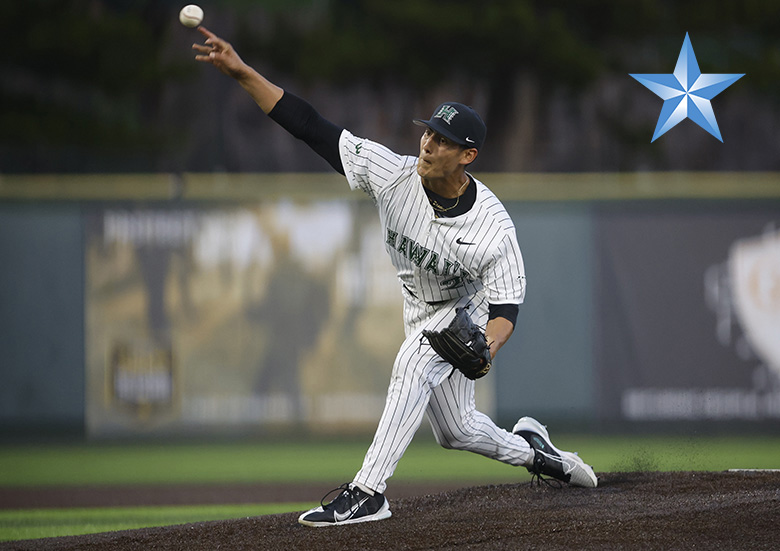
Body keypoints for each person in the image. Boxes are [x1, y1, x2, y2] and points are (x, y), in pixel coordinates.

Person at [192, 26, 597, 527]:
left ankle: (367, 493)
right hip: (417, 305)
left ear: (468, 156)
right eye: (428, 132)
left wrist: (485, 350)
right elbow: (310, 125)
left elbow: (505, 309)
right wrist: (243, 73)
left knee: (413, 363)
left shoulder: (492, 227)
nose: (428, 144)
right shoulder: (392, 174)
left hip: (464, 310)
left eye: (443, 141)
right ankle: (540, 453)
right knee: (457, 431)